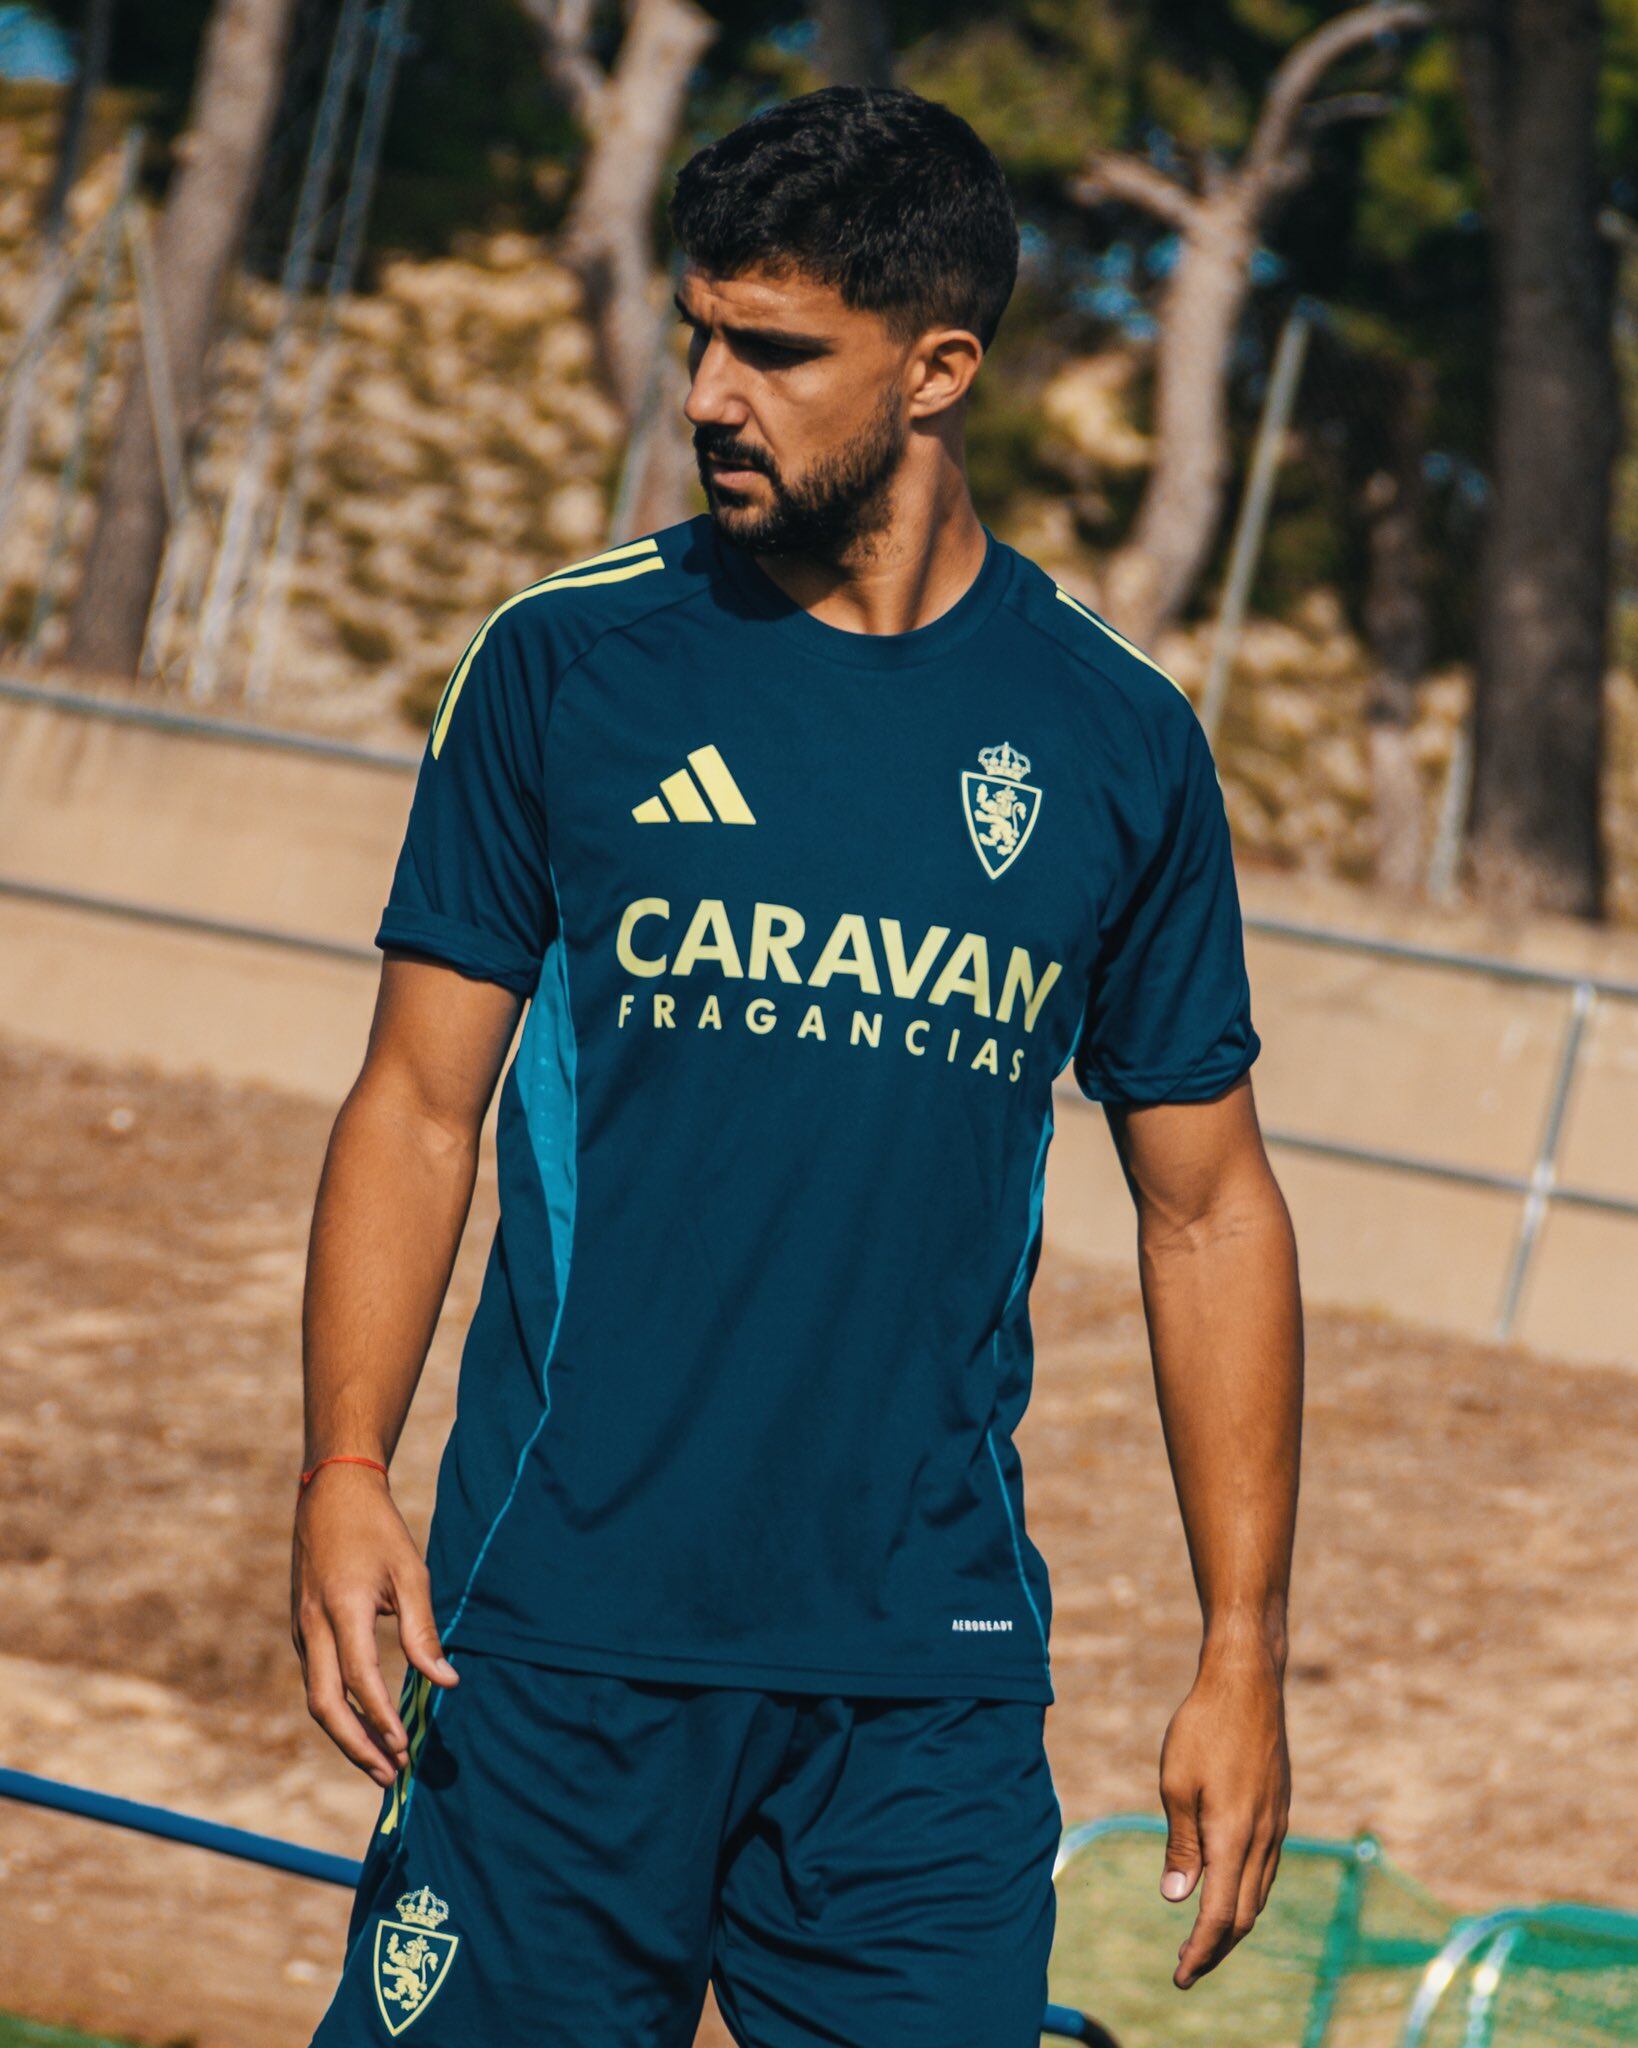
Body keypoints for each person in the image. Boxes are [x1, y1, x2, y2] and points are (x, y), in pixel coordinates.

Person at [294, 84, 1303, 2048]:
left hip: (920, 1688)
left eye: (774, 350)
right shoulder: (568, 668)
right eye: (699, 334)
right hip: (553, 1635)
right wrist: (344, 1466)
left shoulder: (1117, 739)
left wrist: (1242, 1648)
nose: (709, 393)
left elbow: (1209, 1207)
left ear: (940, 369)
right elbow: (415, 1104)